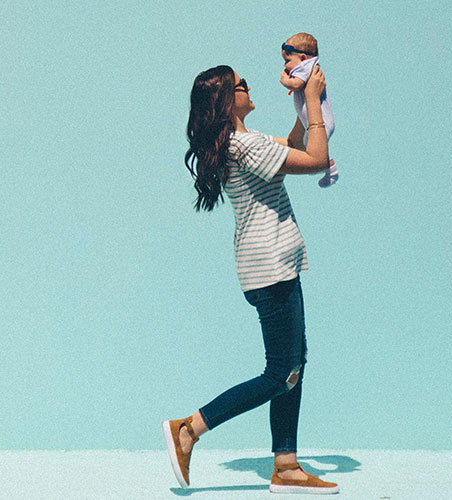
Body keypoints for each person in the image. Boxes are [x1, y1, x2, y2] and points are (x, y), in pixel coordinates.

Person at [162, 64, 340, 495]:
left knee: (293, 363)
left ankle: (286, 465)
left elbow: (296, 144)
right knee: (281, 371)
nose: (249, 87)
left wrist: (302, 100)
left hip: (270, 262)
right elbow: (315, 159)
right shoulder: (243, 147)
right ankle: (190, 428)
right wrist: (315, 103)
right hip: (271, 265)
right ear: (226, 99)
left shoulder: (247, 142)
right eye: (242, 84)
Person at [280, 32, 338, 189]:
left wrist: (286, 81)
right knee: (307, 152)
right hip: (311, 123)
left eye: (287, 61)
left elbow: (297, 84)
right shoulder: (305, 66)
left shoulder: (307, 67)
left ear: (303, 58)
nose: (284, 65)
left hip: (322, 122)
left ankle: (330, 167)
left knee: (311, 154)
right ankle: (327, 166)